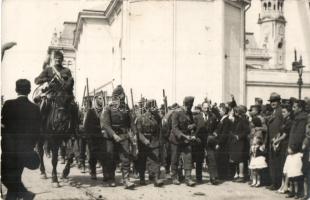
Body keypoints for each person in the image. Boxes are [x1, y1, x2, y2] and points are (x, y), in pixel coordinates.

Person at [1, 79, 41, 200]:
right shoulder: (35, 108)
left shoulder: (8, 104)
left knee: (5, 178)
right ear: (29, 91)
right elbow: (37, 132)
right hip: (25, 152)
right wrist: (30, 146)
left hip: (9, 150)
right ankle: (24, 195)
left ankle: (26, 195)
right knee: (16, 178)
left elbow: (3, 127)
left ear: (16, 89)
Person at [100, 85, 135, 189]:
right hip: (110, 137)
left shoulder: (126, 108)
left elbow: (131, 123)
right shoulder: (108, 107)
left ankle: (126, 180)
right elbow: (105, 124)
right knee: (111, 157)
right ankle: (111, 178)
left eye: (123, 95)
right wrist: (114, 135)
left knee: (125, 157)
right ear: (116, 96)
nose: (122, 97)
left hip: (123, 136)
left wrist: (134, 134)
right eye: (120, 95)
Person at [136, 99, 164, 187]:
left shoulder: (158, 118)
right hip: (143, 142)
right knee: (142, 160)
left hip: (154, 141)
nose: (154, 109)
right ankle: (142, 178)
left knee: (155, 159)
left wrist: (160, 142)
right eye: (152, 107)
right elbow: (138, 132)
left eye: (155, 107)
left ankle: (156, 178)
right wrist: (144, 140)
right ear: (147, 108)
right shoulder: (141, 118)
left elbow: (159, 130)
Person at [170, 96, 196, 186]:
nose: (192, 106)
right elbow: (174, 128)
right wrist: (185, 136)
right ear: (186, 104)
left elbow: (192, 124)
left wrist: (192, 127)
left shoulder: (189, 113)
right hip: (176, 139)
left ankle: (188, 178)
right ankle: (174, 177)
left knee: (188, 158)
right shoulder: (176, 113)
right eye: (190, 105)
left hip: (186, 139)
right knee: (175, 158)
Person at [193, 101, 219, 184]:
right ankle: (199, 177)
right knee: (199, 159)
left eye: (208, 108)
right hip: (199, 141)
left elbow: (217, 127)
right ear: (201, 108)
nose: (206, 109)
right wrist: (195, 137)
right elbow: (193, 129)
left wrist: (215, 134)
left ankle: (213, 178)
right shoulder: (196, 117)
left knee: (212, 158)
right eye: (205, 108)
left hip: (209, 140)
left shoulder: (213, 116)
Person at [84, 95, 106, 180]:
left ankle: (105, 173)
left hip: (103, 137)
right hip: (93, 137)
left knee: (104, 155)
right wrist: (89, 136)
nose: (101, 100)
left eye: (102, 99)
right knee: (92, 155)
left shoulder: (105, 111)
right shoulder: (91, 112)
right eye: (100, 99)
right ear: (96, 100)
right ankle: (93, 172)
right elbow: (87, 126)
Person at [266, 92, 283, 190]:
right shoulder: (273, 112)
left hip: (277, 141)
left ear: (279, 102)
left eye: (275, 101)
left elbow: (281, 127)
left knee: (276, 162)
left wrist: (277, 139)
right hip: (271, 141)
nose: (272, 103)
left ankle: (277, 183)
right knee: (272, 162)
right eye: (271, 101)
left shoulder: (280, 112)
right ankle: (273, 182)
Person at [214, 103, 233, 180]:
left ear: (224, 111)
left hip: (224, 143)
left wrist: (219, 143)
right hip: (221, 142)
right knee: (220, 158)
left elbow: (224, 133)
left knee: (223, 159)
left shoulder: (226, 120)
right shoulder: (222, 119)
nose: (219, 112)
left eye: (220, 110)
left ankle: (223, 175)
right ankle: (221, 174)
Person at [276, 104, 292, 194]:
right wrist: (277, 139)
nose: (282, 113)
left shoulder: (289, 122)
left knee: (286, 166)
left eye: (284, 112)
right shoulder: (284, 121)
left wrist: (276, 141)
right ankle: (282, 185)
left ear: (289, 113)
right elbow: (280, 132)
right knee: (282, 165)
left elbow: (285, 134)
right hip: (282, 144)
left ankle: (286, 185)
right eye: (282, 112)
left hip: (286, 144)